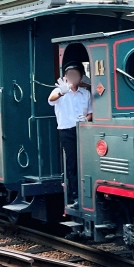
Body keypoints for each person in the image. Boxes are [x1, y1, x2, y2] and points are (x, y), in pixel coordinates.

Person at [48, 62, 92, 201]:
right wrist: (62, 92)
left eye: (76, 75)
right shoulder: (59, 90)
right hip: (66, 130)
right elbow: (51, 100)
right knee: (72, 161)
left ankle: (85, 190)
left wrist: (86, 118)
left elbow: (90, 112)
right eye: (70, 75)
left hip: (83, 128)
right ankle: (74, 193)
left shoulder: (85, 93)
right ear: (66, 77)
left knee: (85, 160)